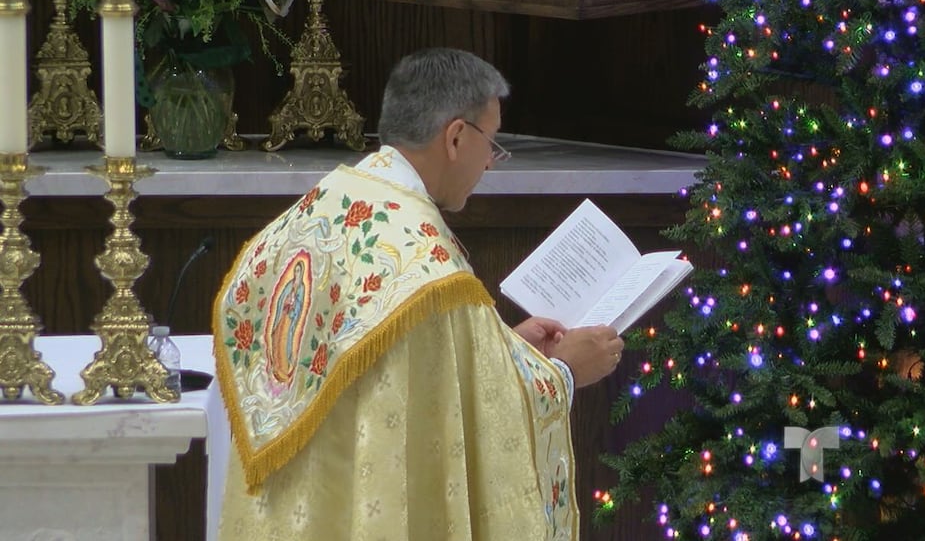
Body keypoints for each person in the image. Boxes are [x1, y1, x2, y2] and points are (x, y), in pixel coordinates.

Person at [215, 47, 625, 540]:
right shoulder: (424, 258)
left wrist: (505, 345)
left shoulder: (335, 198)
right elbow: (468, 409)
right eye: (492, 144)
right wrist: (563, 372)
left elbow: (409, 367)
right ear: (456, 137)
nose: (491, 164)